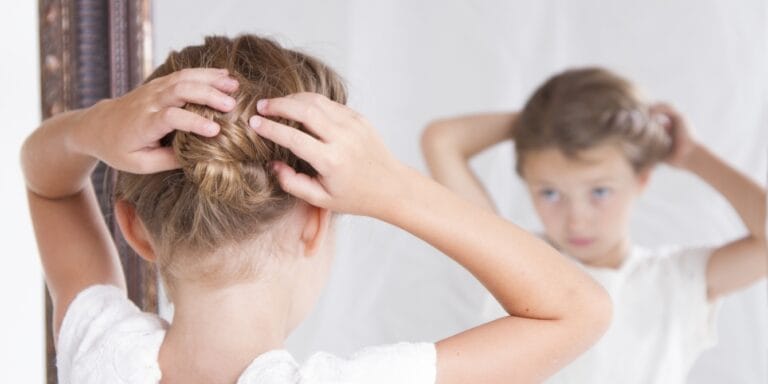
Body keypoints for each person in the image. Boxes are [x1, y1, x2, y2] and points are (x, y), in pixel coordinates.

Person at [22, 35, 611, 384]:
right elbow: (577, 311)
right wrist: (393, 188)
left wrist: (94, 126)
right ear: (316, 221)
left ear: (134, 231)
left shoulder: (102, 354)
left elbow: (46, 181)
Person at [421, 67, 767, 383]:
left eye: (600, 191)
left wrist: (692, 155)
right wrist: (547, 123)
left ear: (642, 179)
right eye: (551, 193)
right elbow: (442, 141)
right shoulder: (515, 261)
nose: (577, 219)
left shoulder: (676, 281)